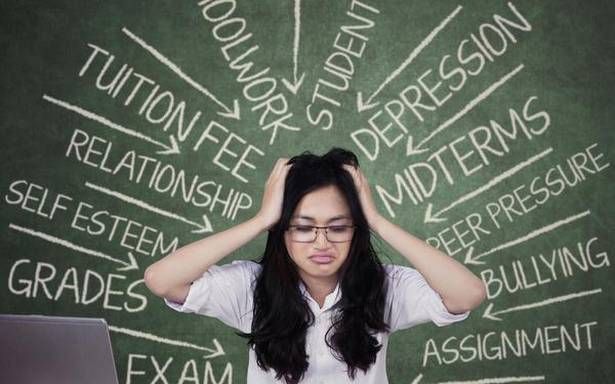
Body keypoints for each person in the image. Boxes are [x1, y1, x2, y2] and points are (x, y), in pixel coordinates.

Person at [144, 147, 486, 384]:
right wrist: (261, 219)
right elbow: (161, 279)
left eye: (338, 227)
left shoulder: (383, 286)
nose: (322, 243)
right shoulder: (250, 287)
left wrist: (378, 221)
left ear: (356, 229)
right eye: (304, 227)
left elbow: (467, 294)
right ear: (283, 230)